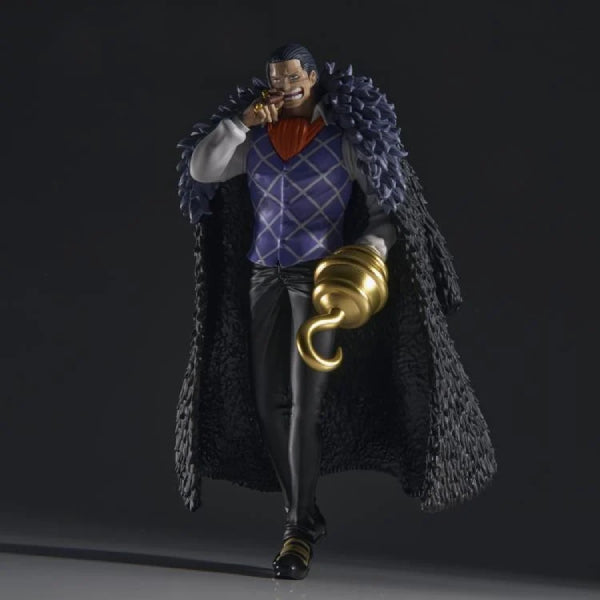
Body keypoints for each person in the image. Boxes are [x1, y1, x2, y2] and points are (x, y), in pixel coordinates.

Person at [175, 43, 497, 580]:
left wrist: (369, 250)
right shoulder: (255, 141)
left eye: (292, 78)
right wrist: (240, 123)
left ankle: (297, 530)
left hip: (317, 280)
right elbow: (203, 170)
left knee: (306, 405)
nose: (284, 87)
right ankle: (304, 512)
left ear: (312, 77)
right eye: (275, 79)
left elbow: (388, 212)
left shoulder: (345, 140)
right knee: (267, 404)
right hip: (262, 276)